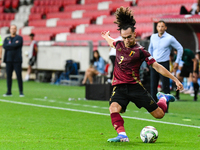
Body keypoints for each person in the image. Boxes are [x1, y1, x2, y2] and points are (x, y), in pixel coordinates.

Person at [101, 6, 183, 142]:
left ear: (134, 34)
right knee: (113, 108)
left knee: (159, 115)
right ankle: (122, 136)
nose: (127, 40)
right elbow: (111, 43)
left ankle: (163, 98)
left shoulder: (141, 51)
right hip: (120, 87)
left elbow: (157, 66)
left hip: (135, 88)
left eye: (129, 37)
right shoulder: (119, 45)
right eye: (124, 37)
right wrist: (106, 37)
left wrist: (175, 79)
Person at [148, 20, 183, 112]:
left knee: (165, 87)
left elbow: (180, 48)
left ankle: (165, 108)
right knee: (153, 86)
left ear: (165, 28)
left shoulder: (170, 38)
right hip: (154, 63)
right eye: (159, 26)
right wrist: (149, 59)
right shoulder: (153, 37)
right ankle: (153, 108)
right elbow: (150, 48)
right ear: (156, 27)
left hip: (164, 63)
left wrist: (177, 61)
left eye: (162, 26)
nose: (160, 28)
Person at [2, 24, 24, 97]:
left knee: (18, 76)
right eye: (12, 28)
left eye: (14, 28)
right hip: (8, 60)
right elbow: (5, 46)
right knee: (8, 76)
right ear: (10, 29)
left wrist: (10, 46)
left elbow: (16, 45)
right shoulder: (7, 39)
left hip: (17, 60)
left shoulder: (19, 38)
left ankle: (21, 92)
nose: (13, 30)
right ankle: (9, 92)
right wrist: (13, 45)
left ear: (16, 29)